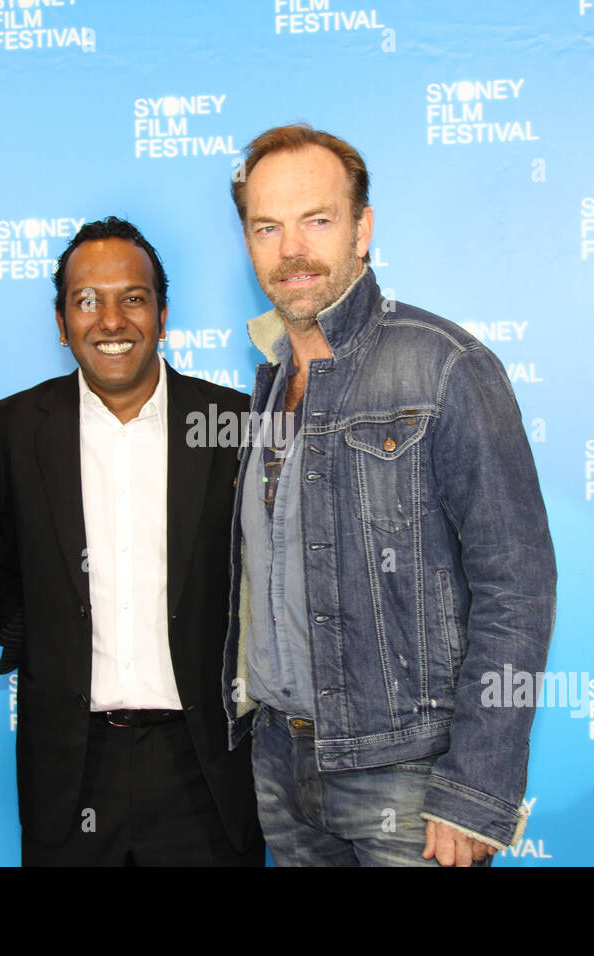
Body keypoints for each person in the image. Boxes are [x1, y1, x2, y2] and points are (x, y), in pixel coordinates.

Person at [223, 124, 557, 866]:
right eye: (267, 227)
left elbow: (518, 588)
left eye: (318, 220)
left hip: (407, 774)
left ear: (362, 229)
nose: (292, 248)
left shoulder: (444, 367)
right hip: (280, 762)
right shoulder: (269, 382)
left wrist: (479, 787)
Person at [0, 217, 263, 866]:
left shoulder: (232, 424)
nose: (111, 320)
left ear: (163, 315)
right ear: (61, 323)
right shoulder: (12, 428)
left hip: (207, 771)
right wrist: (54, 643)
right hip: (70, 773)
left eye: (132, 298)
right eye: (87, 301)